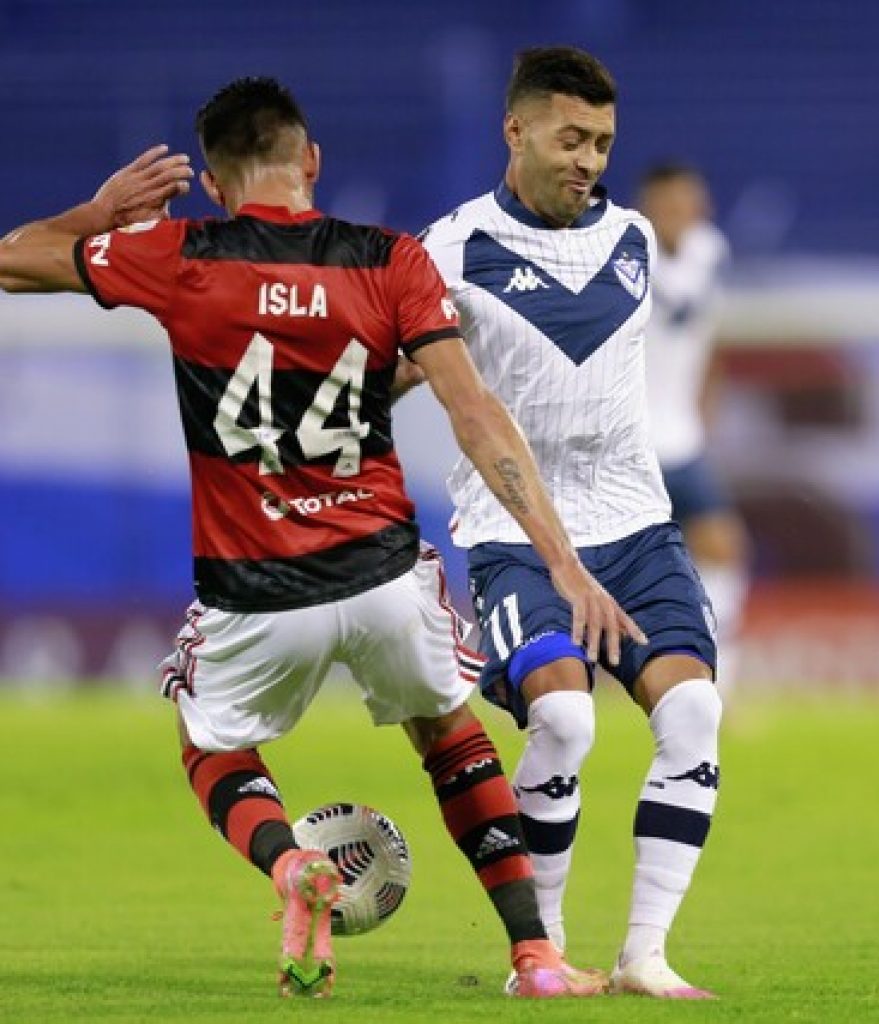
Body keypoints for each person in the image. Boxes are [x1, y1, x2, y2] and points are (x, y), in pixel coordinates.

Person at [0, 76, 643, 999]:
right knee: (447, 728)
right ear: (311, 162)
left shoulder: (180, 254)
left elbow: (15, 259)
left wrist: (97, 214)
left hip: (253, 588)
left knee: (209, 746)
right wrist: (564, 562)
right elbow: (476, 415)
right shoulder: (392, 261)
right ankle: (536, 955)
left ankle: (289, 864)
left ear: (217, 187)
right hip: (380, 573)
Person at [421, 48, 722, 999]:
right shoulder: (449, 250)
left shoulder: (637, 239)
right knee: (561, 714)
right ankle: (541, 953)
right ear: (515, 131)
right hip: (515, 538)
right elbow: (391, 366)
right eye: (570, 137)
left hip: (636, 530)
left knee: (696, 713)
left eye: (601, 142)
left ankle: (645, 955)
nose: (588, 158)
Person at [637, 164, 749, 692]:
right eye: (671, 206)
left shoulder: (710, 250)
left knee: (723, 548)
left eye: (691, 203)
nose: (684, 215)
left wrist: (705, 414)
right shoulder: (625, 255)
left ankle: (718, 682)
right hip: (629, 444)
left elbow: (712, 339)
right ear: (649, 209)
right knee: (606, 570)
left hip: (683, 439)